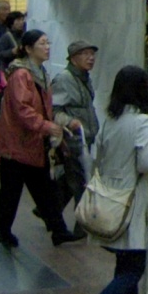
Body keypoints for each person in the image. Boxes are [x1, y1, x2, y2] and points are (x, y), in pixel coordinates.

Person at [73, 66, 148, 294]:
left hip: (111, 197)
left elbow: (96, 155)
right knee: (135, 265)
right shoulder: (143, 123)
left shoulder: (110, 120)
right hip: (133, 200)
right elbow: (147, 163)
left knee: (126, 259)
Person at [0, 30, 83, 247]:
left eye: (48, 43)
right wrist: (47, 127)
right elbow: (21, 109)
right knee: (11, 192)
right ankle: (4, 231)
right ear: (27, 48)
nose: (47, 47)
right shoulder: (21, 75)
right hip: (17, 145)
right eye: (42, 43)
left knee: (45, 190)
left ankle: (58, 230)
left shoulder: (40, 73)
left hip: (33, 142)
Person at [50, 40, 102, 219]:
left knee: (69, 178)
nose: (91, 58)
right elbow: (53, 109)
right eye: (85, 54)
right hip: (72, 139)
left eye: (92, 54)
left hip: (85, 137)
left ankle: (48, 209)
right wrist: (70, 121)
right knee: (80, 181)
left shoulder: (85, 78)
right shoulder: (65, 79)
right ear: (73, 59)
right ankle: (83, 223)